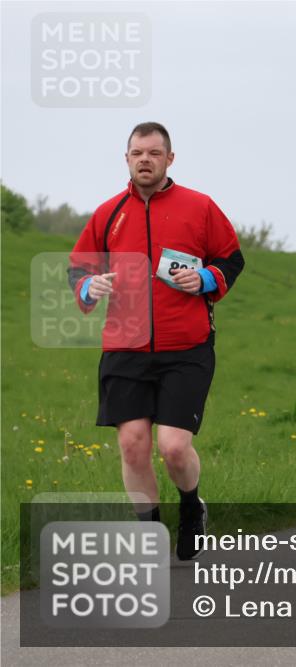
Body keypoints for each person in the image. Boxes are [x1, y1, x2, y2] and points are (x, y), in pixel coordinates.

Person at [68, 122, 244, 560]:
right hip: (124, 348)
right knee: (132, 444)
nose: (144, 159)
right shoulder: (108, 213)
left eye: (153, 152)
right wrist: (89, 288)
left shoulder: (200, 207)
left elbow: (231, 259)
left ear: (170, 158)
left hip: (186, 348)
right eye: (136, 153)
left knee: (174, 447)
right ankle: (149, 536)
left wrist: (204, 277)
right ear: (126, 158)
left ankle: (191, 507)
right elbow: (78, 268)